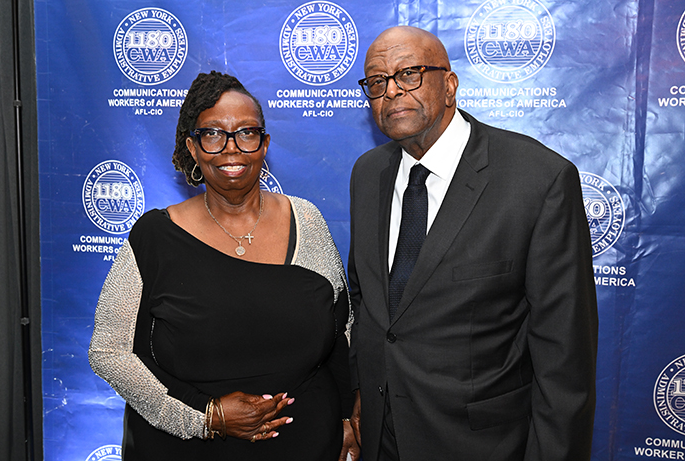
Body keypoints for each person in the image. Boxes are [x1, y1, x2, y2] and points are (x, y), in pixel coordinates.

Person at [347, 26, 598, 460]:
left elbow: (565, 355)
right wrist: (358, 393)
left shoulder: (538, 179)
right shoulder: (367, 173)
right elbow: (367, 302)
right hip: (381, 439)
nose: (391, 91)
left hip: (483, 444)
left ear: (449, 85)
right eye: (376, 81)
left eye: (408, 74)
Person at [89, 71, 359, 461]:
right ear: (193, 146)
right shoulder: (154, 237)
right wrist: (206, 416)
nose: (231, 148)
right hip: (185, 449)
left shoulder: (307, 219)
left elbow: (342, 329)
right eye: (213, 134)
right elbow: (108, 351)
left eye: (246, 133)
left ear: (264, 144)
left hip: (306, 442)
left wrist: (348, 417)